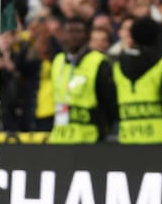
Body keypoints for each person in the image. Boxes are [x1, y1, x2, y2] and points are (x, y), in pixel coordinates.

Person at [49, 14, 115, 144]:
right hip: (59, 138)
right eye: (69, 31)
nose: (73, 36)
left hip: (89, 138)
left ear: (87, 35)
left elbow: (109, 102)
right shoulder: (58, 61)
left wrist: (103, 130)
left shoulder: (98, 62)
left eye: (78, 32)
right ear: (63, 34)